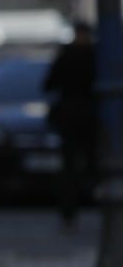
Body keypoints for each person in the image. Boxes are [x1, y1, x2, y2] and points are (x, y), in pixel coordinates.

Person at [43, 21, 99, 228]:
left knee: (76, 165)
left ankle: (74, 208)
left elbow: (49, 84)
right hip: (86, 118)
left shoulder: (70, 55)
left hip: (76, 118)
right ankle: (77, 206)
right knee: (85, 165)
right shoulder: (93, 55)